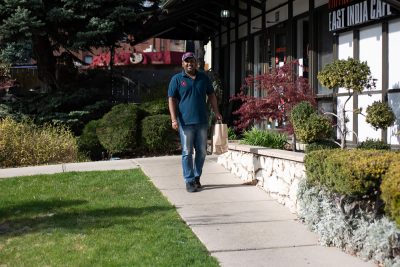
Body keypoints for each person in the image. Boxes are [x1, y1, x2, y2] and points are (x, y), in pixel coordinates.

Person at [168, 52, 222, 193]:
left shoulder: (203, 78)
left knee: (202, 152)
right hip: (185, 123)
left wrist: (216, 112)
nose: (189, 63)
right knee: (187, 152)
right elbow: (171, 99)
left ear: (196, 63)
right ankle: (189, 180)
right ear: (182, 64)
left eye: (192, 61)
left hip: (202, 121)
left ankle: (197, 177)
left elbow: (211, 95)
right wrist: (174, 119)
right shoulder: (177, 79)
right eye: (186, 61)